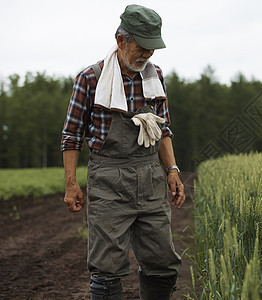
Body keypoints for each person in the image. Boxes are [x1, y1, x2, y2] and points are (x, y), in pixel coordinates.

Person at [61, 5, 184, 299]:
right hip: (108, 181)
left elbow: (163, 130)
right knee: (106, 268)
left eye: (152, 49)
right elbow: (72, 134)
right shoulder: (90, 79)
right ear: (121, 41)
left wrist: (172, 170)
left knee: (163, 264)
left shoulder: (155, 78)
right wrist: (70, 183)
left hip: (150, 178)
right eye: (142, 48)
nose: (148, 55)